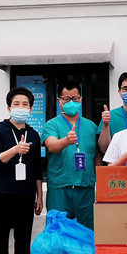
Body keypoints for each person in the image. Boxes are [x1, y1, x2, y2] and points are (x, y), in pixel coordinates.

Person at [0, 87, 43, 254]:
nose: (21, 108)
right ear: (9, 108)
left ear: (30, 109)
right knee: (0, 240)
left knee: (23, 240)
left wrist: (39, 195)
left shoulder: (34, 134)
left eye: (25, 104)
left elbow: (37, 168)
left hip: (25, 194)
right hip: (1, 193)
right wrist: (15, 150)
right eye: (16, 104)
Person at [42, 80, 97, 230]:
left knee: (86, 232)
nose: (71, 102)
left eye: (75, 98)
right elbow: (52, 146)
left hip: (85, 187)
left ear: (81, 100)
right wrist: (66, 140)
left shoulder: (91, 126)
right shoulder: (52, 124)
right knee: (58, 232)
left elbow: (97, 155)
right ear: (59, 101)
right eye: (66, 99)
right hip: (60, 188)